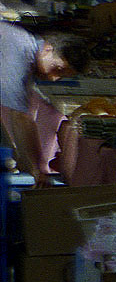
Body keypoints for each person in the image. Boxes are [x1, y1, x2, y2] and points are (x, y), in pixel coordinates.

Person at [0, 23, 88, 186]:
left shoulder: (23, 48)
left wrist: (26, 162)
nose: (53, 78)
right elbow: (21, 118)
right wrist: (36, 169)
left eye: (62, 76)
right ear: (48, 49)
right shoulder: (20, 52)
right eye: (58, 69)